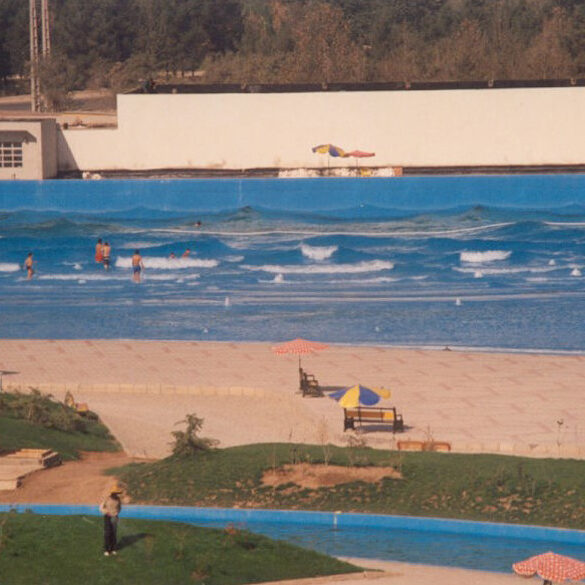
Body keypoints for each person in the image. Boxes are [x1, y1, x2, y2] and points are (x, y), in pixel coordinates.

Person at [99, 483, 123, 556]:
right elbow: (101, 508)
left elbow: (119, 508)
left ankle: (113, 549)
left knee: (114, 533)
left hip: (115, 517)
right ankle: (107, 549)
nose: (116, 494)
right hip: (107, 517)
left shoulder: (118, 500)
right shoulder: (107, 498)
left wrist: (116, 513)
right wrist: (107, 512)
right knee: (108, 533)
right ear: (112, 493)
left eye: (117, 493)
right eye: (115, 493)